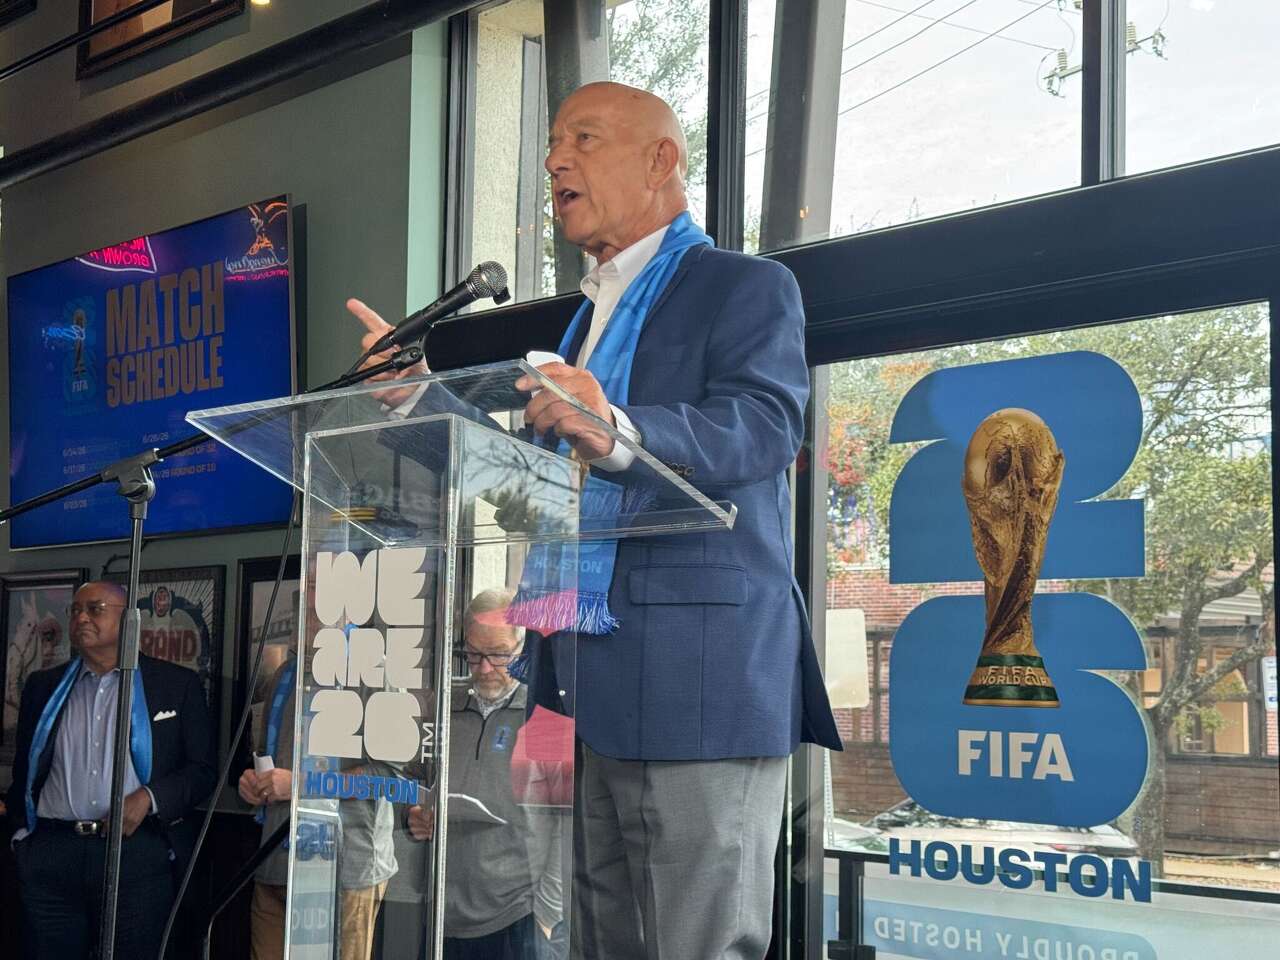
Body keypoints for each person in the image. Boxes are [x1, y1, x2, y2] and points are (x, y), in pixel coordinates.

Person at [348, 81, 841, 960]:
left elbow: (764, 425)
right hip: (584, 684)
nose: (553, 160)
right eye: (551, 143)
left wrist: (616, 427)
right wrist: (420, 401)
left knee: (698, 946)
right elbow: (528, 479)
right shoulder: (585, 324)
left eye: (582, 138)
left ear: (661, 161)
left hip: (699, 682)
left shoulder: (745, 287)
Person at [5, 580, 216, 959]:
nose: (81, 618)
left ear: (129, 620)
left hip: (134, 853)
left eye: (95, 609)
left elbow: (202, 771)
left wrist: (149, 798)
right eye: (75, 610)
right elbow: (26, 770)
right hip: (51, 853)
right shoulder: (43, 686)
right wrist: (22, 839)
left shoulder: (175, 685)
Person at [402, 589, 566, 960]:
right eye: (474, 654)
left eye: (498, 654)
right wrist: (410, 813)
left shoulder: (545, 716)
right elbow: (411, 780)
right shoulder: (442, 707)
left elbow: (564, 824)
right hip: (441, 911)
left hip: (519, 915)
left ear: (522, 648)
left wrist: (547, 914)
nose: (485, 668)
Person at [238, 608, 399, 960]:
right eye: (307, 587)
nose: (309, 598)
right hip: (276, 861)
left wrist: (299, 785)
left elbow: (389, 777)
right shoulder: (285, 673)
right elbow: (270, 758)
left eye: (319, 587)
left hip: (346, 870)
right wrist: (254, 784)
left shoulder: (375, 670)